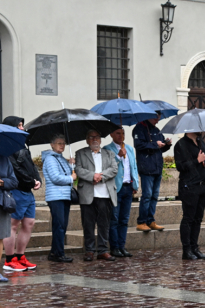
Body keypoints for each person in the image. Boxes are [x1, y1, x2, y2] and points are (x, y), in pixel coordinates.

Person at [2, 116, 41, 272]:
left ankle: (20, 256)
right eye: (18, 125)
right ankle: (10, 259)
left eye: (22, 125)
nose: (22, 128)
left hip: (27, 192)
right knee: (13, 225)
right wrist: (31, 181)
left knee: (29, 223)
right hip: (16, 191)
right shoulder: (7, 148)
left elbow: (31, 167)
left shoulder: (23, 146)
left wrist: (38, 180)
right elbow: (15, 171)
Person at [75, 129, 119, 262]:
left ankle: (103, 250)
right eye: (91, 137)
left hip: (105, 194)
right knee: (88, 224)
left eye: (97, 137)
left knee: (104, 224)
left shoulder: (109, 153)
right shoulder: (80, 153)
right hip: (88, 193)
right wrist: (91, 176)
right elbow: (78, 169)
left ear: (100, 139)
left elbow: (114, 169)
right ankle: (89, 250)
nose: (94, 139)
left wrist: (100, 176)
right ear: (87, 140)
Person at [174, 130, 205, 261]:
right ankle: (187, 250)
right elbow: (180, 166)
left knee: (198, 219)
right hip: (189, 186)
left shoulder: (200, 143)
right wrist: (196, 160)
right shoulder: (181, 145)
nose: (201, 130)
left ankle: (195, 248)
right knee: (188, 219)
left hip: (202, 187)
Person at [105, 127, 141, 258]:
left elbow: (134, 167)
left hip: (128, 186)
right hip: (115, 188)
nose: (121, 136)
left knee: (124, 219)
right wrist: (118, 156)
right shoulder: (108, 149)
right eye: (118, 133)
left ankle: (122, 246)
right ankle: (114, 247)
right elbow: (108, 167)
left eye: (123, 133)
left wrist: (135, 183)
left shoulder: (130, 149)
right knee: (114, 218)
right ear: (111, 134)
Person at [41, 134, 75, 263]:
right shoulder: (50, 159)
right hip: (56, 196)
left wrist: (72, 166)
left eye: (63, 143)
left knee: (62, 225)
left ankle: (54, 252)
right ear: (52, 145)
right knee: (59, 225)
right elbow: (56, 178)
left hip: (64, 195)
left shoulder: (60, 158)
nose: (62, 145)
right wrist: (71, 178)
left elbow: (69, 175)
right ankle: (59, 253)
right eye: (59, 143)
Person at [133, 116, 170, 232]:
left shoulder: (157, 130)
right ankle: (142, 221)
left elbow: (160, 149)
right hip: (146, 167)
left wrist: (166, 144)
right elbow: (139, 145)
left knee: (154, 196)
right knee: (147, 195)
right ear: (148, 116)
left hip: (157, 167)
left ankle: (151, 220)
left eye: (158, 118)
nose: (157, 120)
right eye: (155, 118)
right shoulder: (139, 128)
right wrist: (155, 144)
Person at [0, 151, 16, 283]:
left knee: (0, 237)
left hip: (2, 203)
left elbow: (14, 181)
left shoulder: (5, 159)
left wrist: (2, 182)